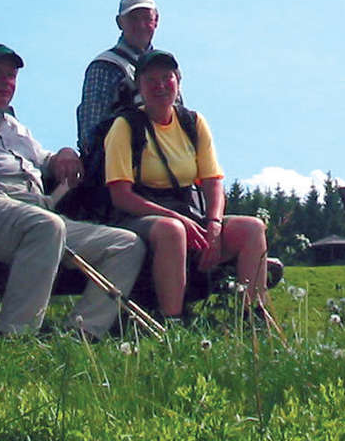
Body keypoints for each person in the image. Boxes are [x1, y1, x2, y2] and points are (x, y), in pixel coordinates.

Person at [0, 44, 148, 337]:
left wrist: (66, 153)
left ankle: (81, 336)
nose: (7, 82)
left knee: (127, 245)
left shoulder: (18, 129)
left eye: (12, 76)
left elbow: (47, 160)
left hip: (33, 217)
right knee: (47, 226)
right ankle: (16, 340)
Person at [102, 50, 269, 319]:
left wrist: (213, 225)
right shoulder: (124, 126)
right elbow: (121, 196)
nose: (160, 86)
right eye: (151, 80)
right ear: (139, 87)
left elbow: (213, 183)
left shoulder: (193, 122)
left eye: (167, 78)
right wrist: (177, 219)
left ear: (178, 81)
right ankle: (174, 322)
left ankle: (252, 317)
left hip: (189, 214)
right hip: (140, 217)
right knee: (173, 231)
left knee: (252, 228)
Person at [76, 0, 161, 156]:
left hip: (170, 159)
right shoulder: (105, 66)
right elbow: (90, 132)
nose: (141, 25)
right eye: (133, 19)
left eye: (147, 18)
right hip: (123, 162)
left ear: (156, 20)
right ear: (119, 23)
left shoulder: (166, 67)